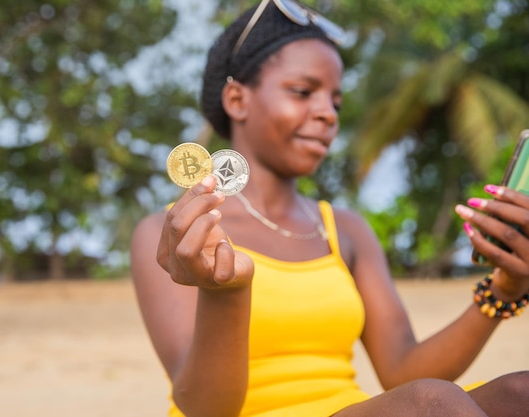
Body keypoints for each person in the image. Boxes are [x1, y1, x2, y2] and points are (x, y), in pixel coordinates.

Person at [130, 1, 529, 416]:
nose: (327, 114)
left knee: (521, 391)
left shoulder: (344, 229)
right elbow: (204, 407)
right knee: (431, 403)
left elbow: (403, 370)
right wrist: (225, 292)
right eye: (303, 92)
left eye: (336, 102)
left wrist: (503, 290)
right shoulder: (172, 231)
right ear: (236, 99)